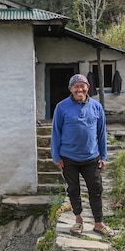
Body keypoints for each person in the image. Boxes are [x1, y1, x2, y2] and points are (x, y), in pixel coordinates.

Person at [51, 73, 115, 237]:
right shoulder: (61, 107)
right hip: (68, 158)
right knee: (73, 190)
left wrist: (104, 156)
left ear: (88, 87)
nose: (79, 89)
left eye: (82, 85)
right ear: (70, 89)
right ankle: (78, 220)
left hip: (91, 158)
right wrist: (56, 157)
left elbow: (101, 133)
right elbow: (55, 133)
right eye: (76, 86)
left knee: (96, 189)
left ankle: (99, 224)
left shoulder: (96, 107)